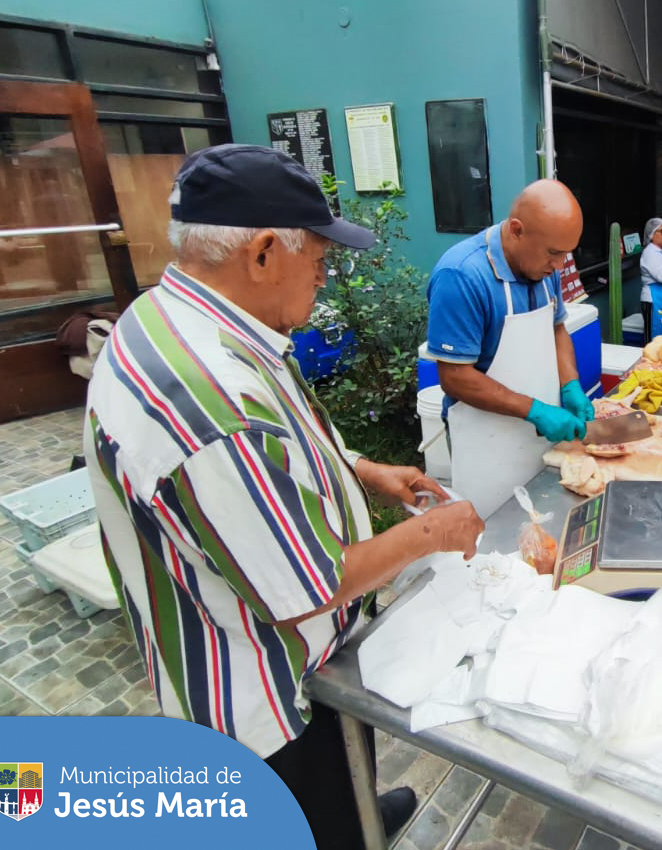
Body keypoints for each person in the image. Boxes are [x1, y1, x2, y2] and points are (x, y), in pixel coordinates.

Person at [83, 144, 485, 850]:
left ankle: (357, 805)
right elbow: (308, 584)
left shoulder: (177, 314)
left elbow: (275, 447)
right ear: (264, 252)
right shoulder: (210, 402)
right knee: (314, 818)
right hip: (259, 694)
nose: (324, 283)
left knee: (342, 775)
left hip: (279, 652)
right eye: (322, 264)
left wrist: (361, 468)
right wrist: (432, 534)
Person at [427, 180, 593, 515]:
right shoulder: (461, 275)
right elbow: (455, 376)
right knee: (495, 539)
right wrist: (535, 410)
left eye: (566, 253)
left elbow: (557, 328)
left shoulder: (547, 269)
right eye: (553, 253)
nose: (560, 265)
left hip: (541, 433)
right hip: (486, 441)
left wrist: (571, 384)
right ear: (517, 230)